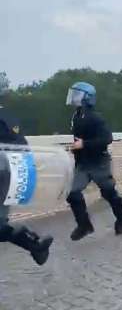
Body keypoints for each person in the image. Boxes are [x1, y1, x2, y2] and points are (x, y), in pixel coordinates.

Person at [65, 82, 122, 241]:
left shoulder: (96, 117)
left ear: (87, 98)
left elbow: (107, 138)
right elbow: (79, 139)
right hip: (82, 163)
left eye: (77, 95)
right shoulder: (76, 116)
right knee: (72, 193)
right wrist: (76, 147)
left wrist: (84, 144)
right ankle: (84, 225)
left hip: (98, 163)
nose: (74, 98)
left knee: (108, 192)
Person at [0, 107, 54, 265]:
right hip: (12, 170)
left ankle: (33, 243)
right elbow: (22, 145)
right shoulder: (8, 115)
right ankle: (33, 243)